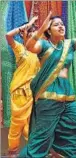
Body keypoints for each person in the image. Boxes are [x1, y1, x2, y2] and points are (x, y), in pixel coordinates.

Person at [19, 10, 76, 158]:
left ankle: (59, 152)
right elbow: (29, 46)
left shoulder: (69, 44)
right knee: (41, 139)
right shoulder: (44, 45)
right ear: (48, 30)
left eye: (62, 24)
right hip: (48, 96)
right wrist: (41, 28)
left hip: (66, 95)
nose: (61, 26)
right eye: (56, 25)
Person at [5, 16, 39, 156]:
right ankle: (12, 152)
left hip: (33, 93)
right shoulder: (20, 48)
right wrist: (29, 24)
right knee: (17, 124)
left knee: (31, 125)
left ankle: (34, 151)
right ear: (22, 33)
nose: (32, 33)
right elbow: (8, 36)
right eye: (28, 31)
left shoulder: (39, 51)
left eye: (33, 30)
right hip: (20, 92)